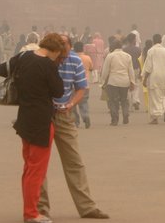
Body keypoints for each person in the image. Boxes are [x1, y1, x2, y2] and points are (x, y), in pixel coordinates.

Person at [39, 33, 109, 220]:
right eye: (60, 52)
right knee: (40, 165)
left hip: (63, 115)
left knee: (74, 163)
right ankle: (40, 208)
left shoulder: (75, 61)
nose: (62, 56)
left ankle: (86, 207)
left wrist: (70, 104)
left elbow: (81, 87)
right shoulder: (43, 60)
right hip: (41, 116)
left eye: (65, 51)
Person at [0, 33, 65, 223]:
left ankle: (30, 210)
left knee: (29, 168)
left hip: (24, 119)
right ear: (56, 50)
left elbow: (1, 69)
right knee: (36, 171)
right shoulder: (48, 65)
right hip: (41, 122)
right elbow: (59, 91)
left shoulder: (24, 57)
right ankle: (31, 213)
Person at [99, 37, 136, 125]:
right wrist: (132, 82)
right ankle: (125, 113)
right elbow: (131, 71)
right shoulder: (127, 56)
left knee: (113, 101)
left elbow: (105, 71)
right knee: (124, 100)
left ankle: (114, 119)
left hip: (113, 82)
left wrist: (103, 82)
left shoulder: (110, 56)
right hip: (125, 81)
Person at [142, 33, 165, 124]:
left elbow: (148, 66)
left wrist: (144, 79)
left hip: (154, 75)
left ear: (153, 41)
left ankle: (155, 117)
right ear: (160, 40)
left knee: (154, 96)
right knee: (162, 94)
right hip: (164, 75)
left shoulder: (151, 51)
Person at [72, 42, 93, 129]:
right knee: (83, 102)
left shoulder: (71, 58)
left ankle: (76, 121)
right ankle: (85, 116)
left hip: (73, 85)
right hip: (85, 84)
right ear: (83, 48)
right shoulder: (87, 58)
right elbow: (91, 68)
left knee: (73, 104)